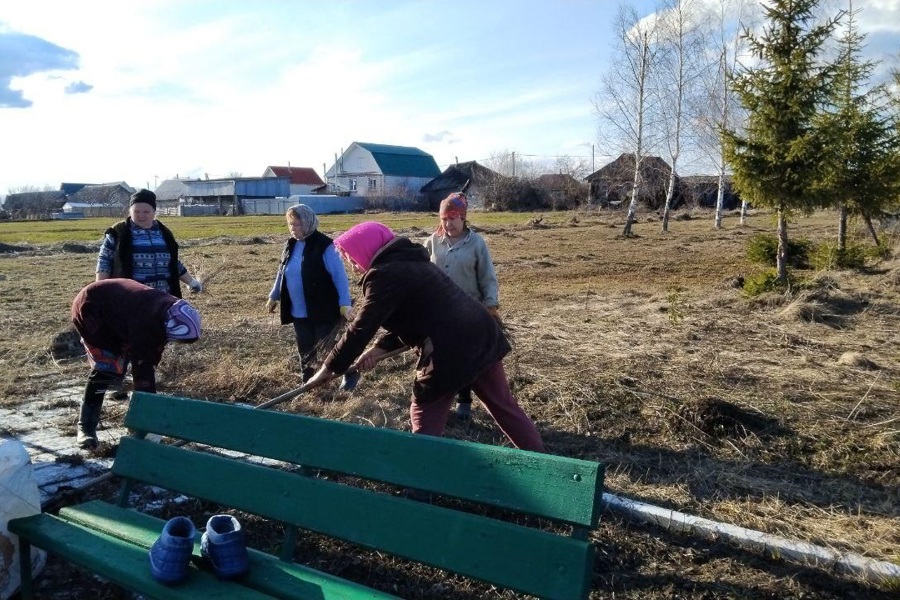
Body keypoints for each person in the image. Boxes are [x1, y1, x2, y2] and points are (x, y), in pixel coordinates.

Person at [306, 222, 544, 452]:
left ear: (366, 249)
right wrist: (377, 351)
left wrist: (328, 369)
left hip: (450, 348)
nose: (352, 265)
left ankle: (420, 484)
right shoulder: (408, 261)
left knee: (424, 412)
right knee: (503, 405)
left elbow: (360, 329)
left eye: (351, 257)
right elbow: (419, 318)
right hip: (480, 333)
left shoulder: (385, 274)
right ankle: (542, 461)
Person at [71, 279, 202, 449]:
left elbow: (151, 350)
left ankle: (135, 423)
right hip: (92, 309)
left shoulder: (170, 312)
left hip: (120, 309)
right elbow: (143, 369)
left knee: (124, 364)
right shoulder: (148, 321)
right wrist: (148, 417)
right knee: (105, 370)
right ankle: (86, 428)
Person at [424, 191, 500, 420]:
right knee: (438, 358)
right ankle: (438, 401)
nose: (448, 223)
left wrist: (490, 306)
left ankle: (464, 400)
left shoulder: (476, 244)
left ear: (463, 218)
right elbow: (420, 271)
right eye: (444, 219)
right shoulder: (432, 242)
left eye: (453, 218)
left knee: (464, 357)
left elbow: (488, 278)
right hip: (439, 312)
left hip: (468, 312)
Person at [266, 204, 353, 383]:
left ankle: (341, 376)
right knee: (305, 350)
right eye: (290, 225)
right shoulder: (290, 245)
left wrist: (345, 303)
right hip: (298, 311)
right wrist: (274, 295)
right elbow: (282, 271)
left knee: (326, 350)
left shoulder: (325, 246)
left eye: (296, 224)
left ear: (307, 222)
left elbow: (340, 277)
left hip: (323, 309)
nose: (293, 229)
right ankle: (307, 384)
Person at [96, 188, 203, 297]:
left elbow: (173, 262)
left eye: (146, 212)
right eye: (136, 211)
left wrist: (191, 282)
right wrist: (99, 290)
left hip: (163, 299)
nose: (141, 216)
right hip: (130, 299)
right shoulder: (118, 232)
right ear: (130, 212)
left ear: (154, 212)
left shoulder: (164, 233)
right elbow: (104, 262)